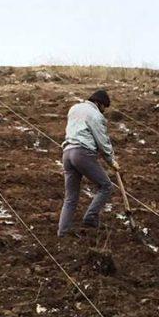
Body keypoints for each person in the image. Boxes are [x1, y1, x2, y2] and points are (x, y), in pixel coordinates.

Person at [58, 89, 118, 237]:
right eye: (104, 107)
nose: (104, 111)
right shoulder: (95, 115)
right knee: (106, 186)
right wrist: (112, 161)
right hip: (82, 153)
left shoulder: (74, 108)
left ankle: (62, 232)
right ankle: (90, 217)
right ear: (99, 103)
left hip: (67, 153)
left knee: (70, 198)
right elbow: (102, 141)